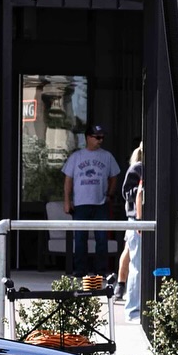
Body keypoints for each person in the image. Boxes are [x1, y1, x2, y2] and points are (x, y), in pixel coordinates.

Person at [63, 122, 120, 279]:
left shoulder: (107, 156)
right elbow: (68, 180)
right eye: (97, 137)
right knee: (80, 239)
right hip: (80, 204)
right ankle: (80, 271)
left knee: (101, 239)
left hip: (100, 204)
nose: (100, 140)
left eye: (102, 138)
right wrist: (67, 201)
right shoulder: (76, 157)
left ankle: (100, 271)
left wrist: (109, 194)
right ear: (88, 137)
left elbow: (114, 176)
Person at [116, 143, 144, 317]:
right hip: (136, 220)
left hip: (139, 221)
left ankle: (126, 294)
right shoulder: (138, 168)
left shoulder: (144, 167)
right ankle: (133, 309)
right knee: (137, 264)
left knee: (133, 257)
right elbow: (128, 193)